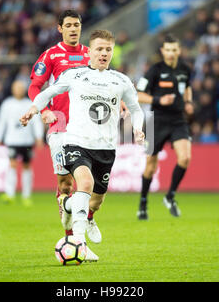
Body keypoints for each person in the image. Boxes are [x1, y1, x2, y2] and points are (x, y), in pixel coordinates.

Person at [20, 29, 145, 261]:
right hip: (76, 141)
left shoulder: (121, 81)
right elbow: (47, 93)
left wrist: (138, 128)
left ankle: (77, 211)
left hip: (106, 148)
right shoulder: (74, 76)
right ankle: (79, 243)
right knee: (84, 183)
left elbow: (136, 109)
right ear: (90, 52)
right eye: (99, 49)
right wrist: (33, 110)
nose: (104, 53)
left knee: (95, 201)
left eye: (108, 49)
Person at [27, 9, 103, 242]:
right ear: (60, 28)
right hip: (60, 124)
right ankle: (72, 238)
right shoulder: (50, 56)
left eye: (76, 25)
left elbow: (103, 84)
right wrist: (45, 110)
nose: (73, 29)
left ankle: (88, 216)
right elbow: (34, 88)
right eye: (68, 25)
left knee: (92, 183)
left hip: (88, 127)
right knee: (66, 183)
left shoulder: (91, 54)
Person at [136, 34, 194, 220]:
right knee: (151, 167)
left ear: (178, 50)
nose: (170, 53)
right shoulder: (155, 70)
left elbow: (187, 87)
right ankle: (143, 202)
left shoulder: (185, 69)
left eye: (173, 50)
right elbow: (138, 95)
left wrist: (189, 101)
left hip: (178, 119)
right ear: (162, 51)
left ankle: (170, 196)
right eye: (167, 50)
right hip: (156, 120)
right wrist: (159, 99)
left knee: (185, 158)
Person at [0, 80, 44, 206]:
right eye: (17, 88)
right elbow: (2, 122)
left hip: (27, 140)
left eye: (21, 88)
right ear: (12, 90)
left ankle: (26, 196)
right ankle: (10, 194)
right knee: (12, 165)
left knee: (27, 166)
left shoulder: (30, 104)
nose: (19, 90)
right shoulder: (7, 104)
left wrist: (39, 137)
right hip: (12, 140)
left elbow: (36, 121)